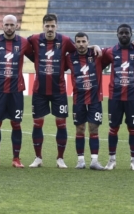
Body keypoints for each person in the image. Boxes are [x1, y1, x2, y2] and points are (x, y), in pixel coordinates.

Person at [26, 14, 88, 168]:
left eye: (52, 26)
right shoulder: (34, 39)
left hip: (59, 90)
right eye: (47, 26)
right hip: (39, 90)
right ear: (43, 26)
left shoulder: (65, 40)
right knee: (37, 124)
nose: (50, 29)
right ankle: (38, 158)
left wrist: (94, 48)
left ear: (57, 26)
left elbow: (79, 52)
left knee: (61, 124)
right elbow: (21, 45)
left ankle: (60, 158)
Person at [101, 24, 134, 171]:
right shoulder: (110, 52)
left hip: (132, 98)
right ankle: (112, 160)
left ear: (131, 34)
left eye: (126, 33)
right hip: (115, 97)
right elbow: (98, 65)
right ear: (117, 34)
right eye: (121, 33)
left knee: (133, 128)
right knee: (113, 128)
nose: (124, 35)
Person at [0, 15, 33, 168]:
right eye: (7, 24)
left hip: (16, 91)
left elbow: (36, 57)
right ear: (2, 25)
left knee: (16, 124)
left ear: (16, 26)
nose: (9, 27)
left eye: (12, 25)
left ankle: (16, 159)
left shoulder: (23, 42)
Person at [64, 32, 107, 170]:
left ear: (88, 42)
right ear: (75, 43)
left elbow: (115, 50)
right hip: (78, 99)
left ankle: (94, 161)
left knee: (93, 129)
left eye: (84, 41)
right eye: (78, 42)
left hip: (95, 99)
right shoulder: (69, 58)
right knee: (80, 129)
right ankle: (80, 161)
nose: (81, 44)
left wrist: (97, 46)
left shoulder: (97, 54)